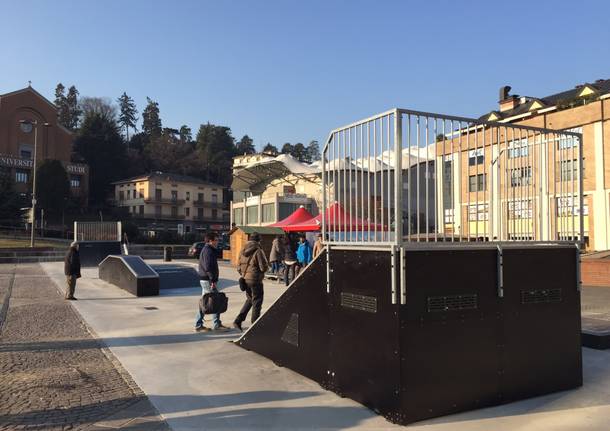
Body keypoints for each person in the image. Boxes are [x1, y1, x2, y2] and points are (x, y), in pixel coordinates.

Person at [234, 232, 269, 331]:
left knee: (250, 300)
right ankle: (255, 326)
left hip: (245, 279)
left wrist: (244, 275)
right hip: (255, 280)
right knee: (257, 302)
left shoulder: (242, 250)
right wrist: (266, 268)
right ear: (258, 240)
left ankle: (238, 321)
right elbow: (263, 267)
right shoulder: (258, 250)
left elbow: (238, 267)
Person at [195, 232, 229, 332]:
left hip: (206, 279)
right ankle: (214, 324)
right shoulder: (208, 251)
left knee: (206, 302)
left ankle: (200, 324)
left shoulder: (209, 250)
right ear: (210, 241)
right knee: (214, 301)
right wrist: (213, 280)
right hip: (208, 280)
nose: (217, 242)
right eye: (216, 240)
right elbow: (208, 267)